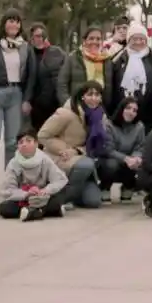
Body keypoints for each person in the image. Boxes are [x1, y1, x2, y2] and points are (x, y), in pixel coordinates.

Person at [0, 9, 37, 197]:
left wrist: (27, 99)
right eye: (10, 21)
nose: (14, 25)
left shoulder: (25, 47)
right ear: (4, 24)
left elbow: (31, 75)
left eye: (17, 22)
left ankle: (10, 181)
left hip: (16, 94)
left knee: (12, 142)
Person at [37, 81, 109, 209]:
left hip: (79, 158)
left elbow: (90, 145)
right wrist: (64, 149)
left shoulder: (99, 117)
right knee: (86, 164)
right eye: (90, 94)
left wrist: (76, 150)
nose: (94, 98)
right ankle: (63, 196)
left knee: (93, 202)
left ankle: (72, 193)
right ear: (82, 96)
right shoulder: (65, 113)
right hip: (60, 159)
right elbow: (43, 135)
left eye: (97, 95)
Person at [110, 22, 152, 130]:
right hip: (122, 114)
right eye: (134, 39)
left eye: (141, 38)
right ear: (128, 40)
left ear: (146, 40)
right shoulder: (118, 60)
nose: (138, 42)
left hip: (149, 115)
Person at [0, 129, 69, 221]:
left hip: (43, 197)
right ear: (17, 146)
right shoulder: (13, 163)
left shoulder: (45, 159)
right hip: (24, 199)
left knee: (61, 193)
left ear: (36, 144)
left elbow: (60, 179)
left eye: (28, 141)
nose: (24, 144)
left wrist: (45, 190)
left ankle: (31, 212)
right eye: (21, 142)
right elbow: (7, 190)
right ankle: (43, 211)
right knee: (3, 208)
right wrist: (26, 194)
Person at [103, 96, 145, 203]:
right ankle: (105, 187)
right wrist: (126, 158)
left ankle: (128, 186)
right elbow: (108, 150)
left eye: (135, 110)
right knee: (111, 165)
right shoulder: (109, 125)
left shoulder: (139, 126)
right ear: (121, 108)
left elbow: (140, 146)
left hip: (130, 161)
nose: (131, 112)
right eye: (128, 108)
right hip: (111, 159)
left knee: (139, 163)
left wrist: (136, 157)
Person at [57, 28, 112, 110]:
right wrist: (68, 104)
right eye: (91, 38)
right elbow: (62, 84)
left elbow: (109, 86)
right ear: (84, 40)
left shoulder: (107, 60)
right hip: (76, 107)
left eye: (98, 39)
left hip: (99, 108)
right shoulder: (73, 58)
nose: (95, 41)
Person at [26, 23, 68, 130]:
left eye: (42, 35)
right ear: (32, 38)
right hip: (36, 105)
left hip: (55, 103)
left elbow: (66, 74)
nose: (41, 38)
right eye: (37, 36)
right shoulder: (28, 55)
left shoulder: (57, 52)